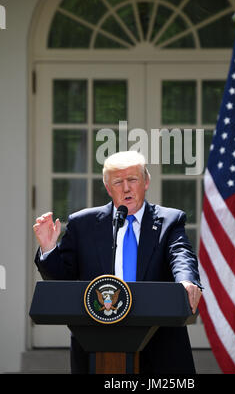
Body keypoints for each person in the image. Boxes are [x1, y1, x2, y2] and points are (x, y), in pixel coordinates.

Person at [33, 151, 203, 374]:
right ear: (107, 187)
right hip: (96, 343)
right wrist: (49, 249)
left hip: (160, 345)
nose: (126, 188)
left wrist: (186, 281)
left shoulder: (170, 220)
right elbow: (61, 280)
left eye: (132, 180)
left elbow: (181, 255)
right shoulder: (83, 223)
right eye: (118, 182)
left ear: (146, 182)